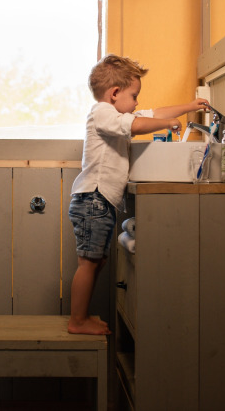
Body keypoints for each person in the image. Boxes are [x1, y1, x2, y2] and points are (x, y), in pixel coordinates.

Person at [67, 54, 209, 335]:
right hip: (93, 199)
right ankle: (77, 321)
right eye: (134, 96)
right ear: (114, 93)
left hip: (99, 201)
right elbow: (138, 125)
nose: (136, 103)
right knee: (88, 262)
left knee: (96, 261)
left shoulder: (116, 114)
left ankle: (81, 317)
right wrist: (168, 124)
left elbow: (153, 114)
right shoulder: (102, 112)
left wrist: (189, 107)